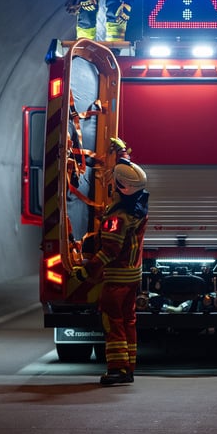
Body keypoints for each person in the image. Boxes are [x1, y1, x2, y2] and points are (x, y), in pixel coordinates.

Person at [73, 161, 149, 385]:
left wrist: (84, 273)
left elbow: (109, 252)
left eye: (114, 182)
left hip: (116, 281)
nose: (110, 184)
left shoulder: (117, 219)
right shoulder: (137, 209)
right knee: (128, 321)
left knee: (112, 323)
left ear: (122, 187)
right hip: (132, 278)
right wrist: (122, 156)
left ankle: (117, 370)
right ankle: (129, 367)